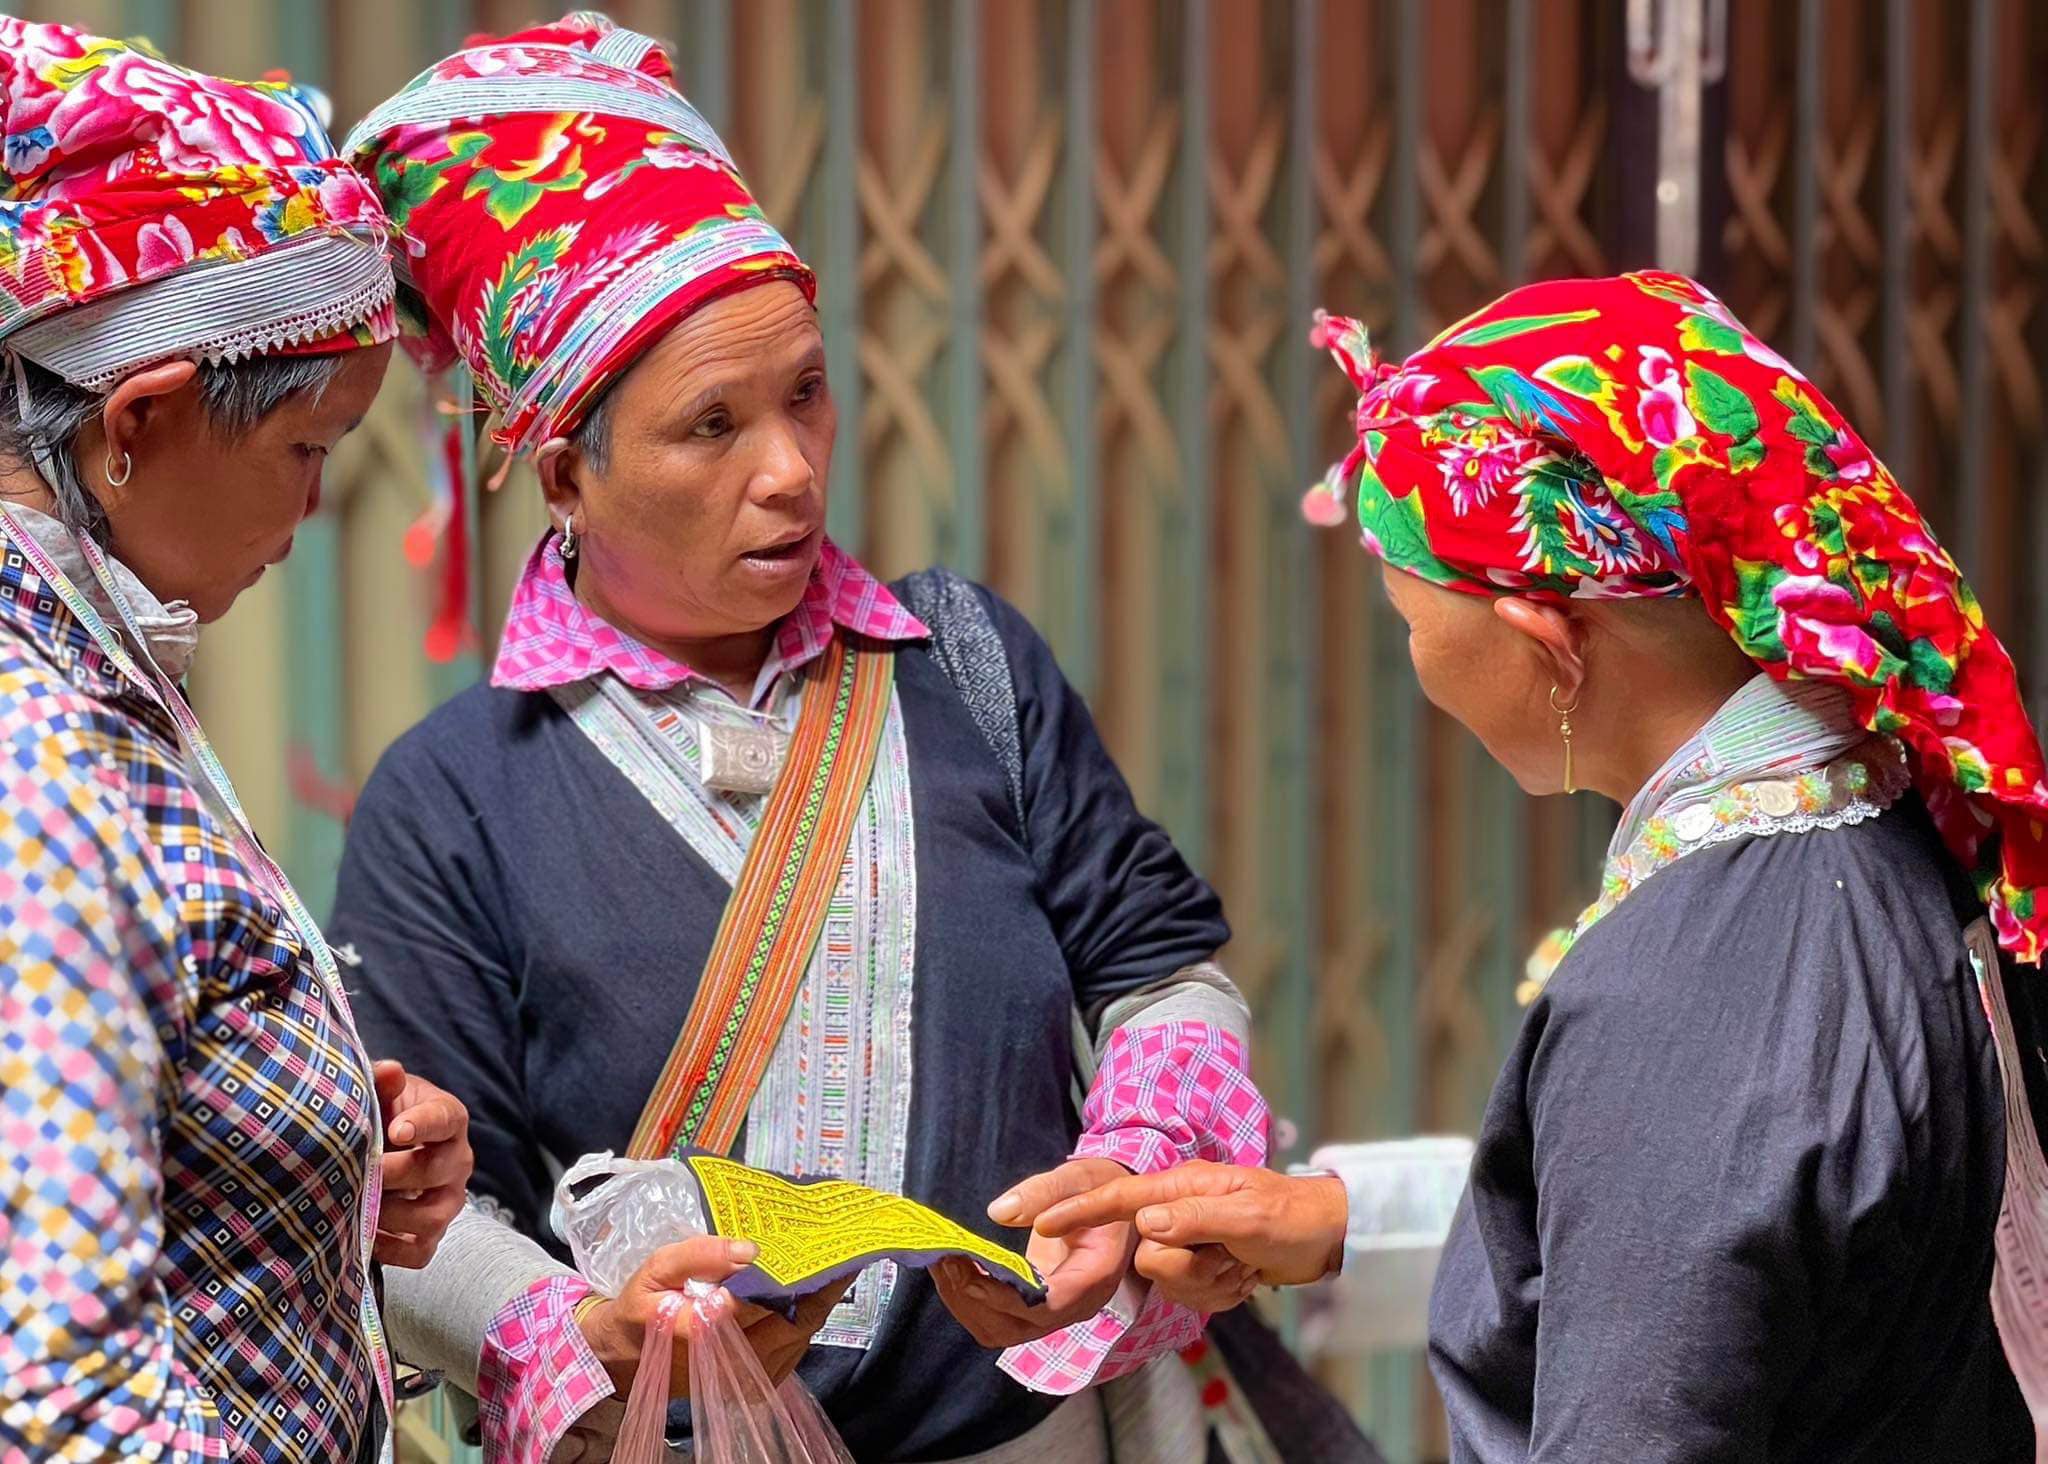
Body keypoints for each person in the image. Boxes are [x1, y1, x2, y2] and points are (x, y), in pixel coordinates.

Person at [331, 16, 1281, 1463]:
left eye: (807, 393)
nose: (790, 470)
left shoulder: (966, 667)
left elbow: (1165, 977)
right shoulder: (457, 799)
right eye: (710, 425)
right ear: (566, 468)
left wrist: (1130, 1180)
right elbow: (416, 1213)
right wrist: (587, 1331)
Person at [1036, 272, 2048, 1460]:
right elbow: (1741, 1235)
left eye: (1415, 627)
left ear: (1545, 643)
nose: (1416, 668)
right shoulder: (1900, 829)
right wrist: (1336, 1221)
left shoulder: (1679, 995)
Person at [0, 21, 474, 1463]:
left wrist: (310, 1131)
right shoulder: (34, 759)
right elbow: (66, 1404)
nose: (318, 508)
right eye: (307, 449)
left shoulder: (96, 672)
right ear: (137, 421)